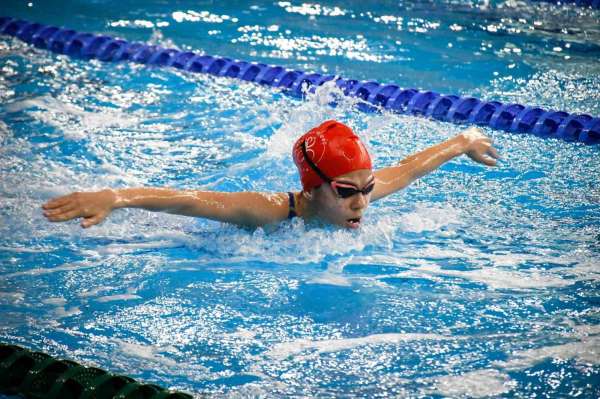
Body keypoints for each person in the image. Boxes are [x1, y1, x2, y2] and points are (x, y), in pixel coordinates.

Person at [42, 120, 500, 229]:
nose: (362, 203)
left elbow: (407, 168)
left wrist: (464, 141)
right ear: (312, 186)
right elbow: (189, 199)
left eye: (366, 189)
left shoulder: (357, 195)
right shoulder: (270, 212)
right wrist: (114, 197)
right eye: (347, 192)